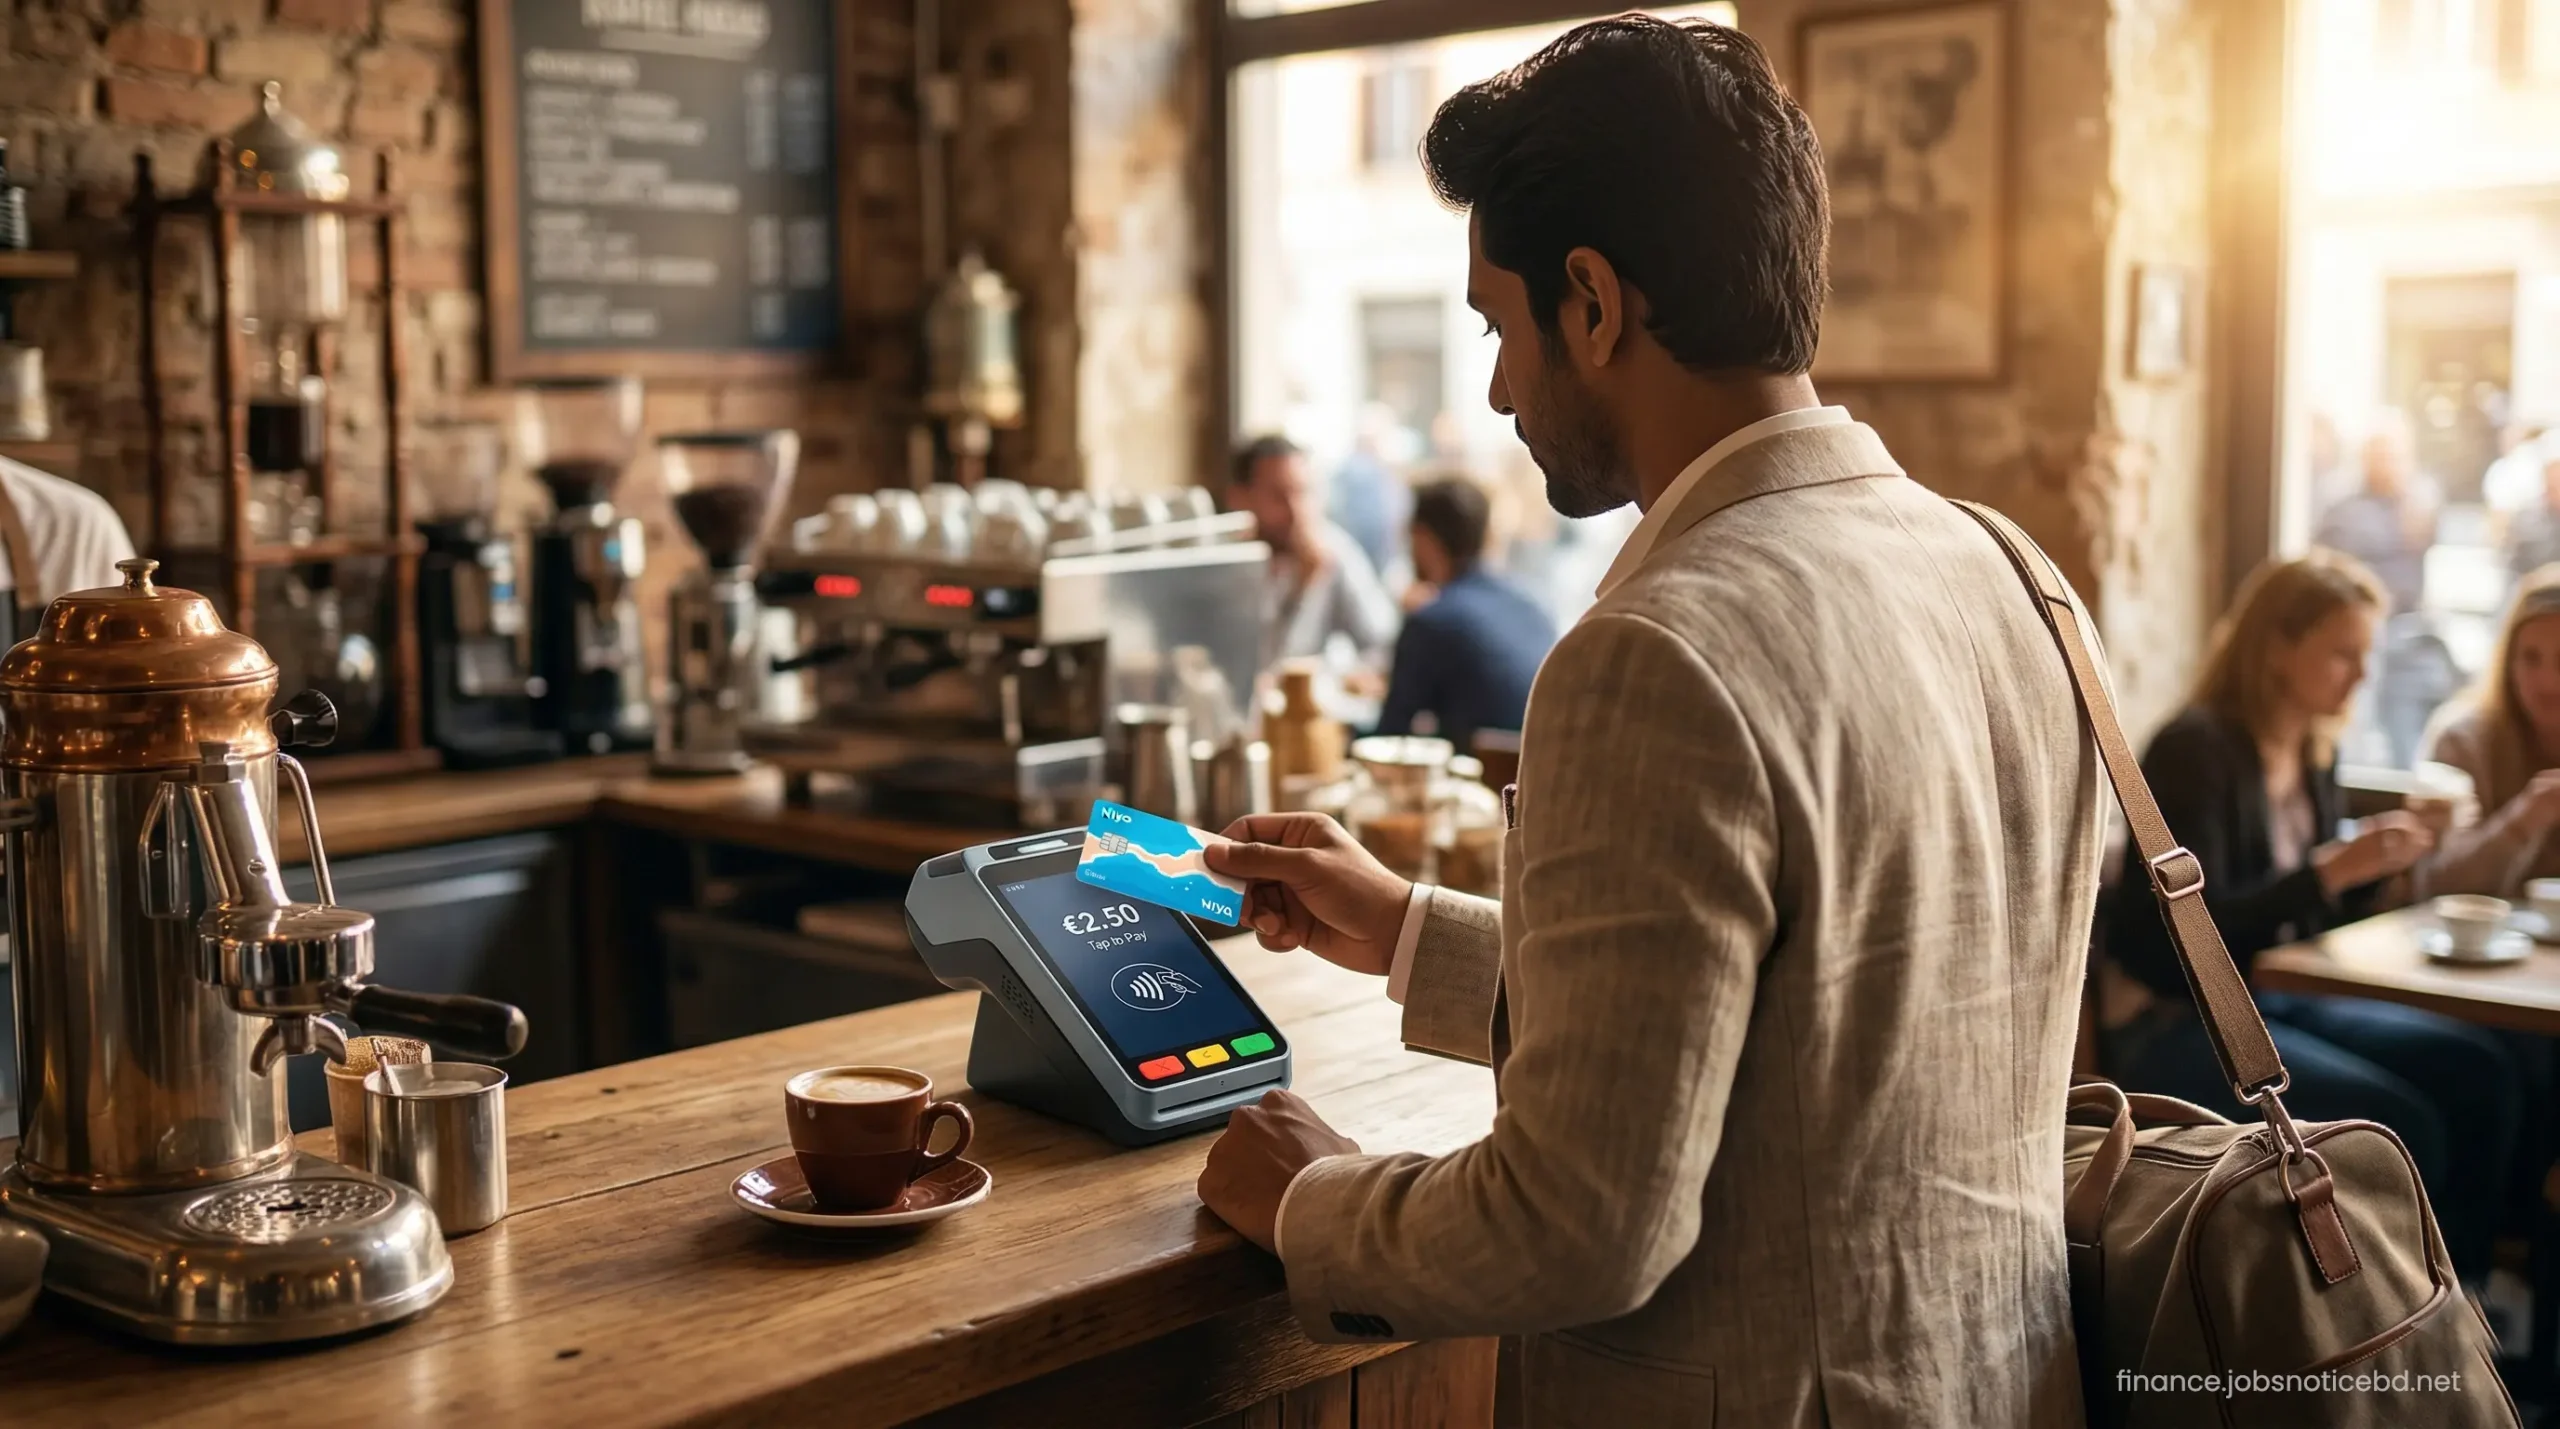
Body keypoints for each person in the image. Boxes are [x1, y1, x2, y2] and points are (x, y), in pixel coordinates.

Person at [1193, 19, 2104, 1426]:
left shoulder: (1654, 652)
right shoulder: (2017, 574)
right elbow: (1831, 1016)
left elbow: (1583, 1224)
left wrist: (1312, 1200)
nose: (1498, 389)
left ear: (1596, 304)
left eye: (1500, 326)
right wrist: (1411, 931)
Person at [2100, 552, 2519, 1282]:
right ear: (2278, 648)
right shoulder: (2196, 749)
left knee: (2480, 1068)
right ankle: (2392, 1321)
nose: (2361, 675)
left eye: (2365, 655)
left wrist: (2378, 864)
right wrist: (2331, 871)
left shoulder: (2312, 747)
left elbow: (2297, 917)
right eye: (2342, 653)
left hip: (2268, 998)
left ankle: (2467, 1307)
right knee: (2397, 1124)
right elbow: (2176, 939)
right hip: (2174, 1018)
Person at [1373, 477, 1553, 749]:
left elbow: (1388, 738)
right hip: (1541, 775)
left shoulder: (1431, 622)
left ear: (1423, 539)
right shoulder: (1534, 606)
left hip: (1483, 783)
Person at [2417, 565, 2560, 894]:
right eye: (2530, 658)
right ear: (2508, 662)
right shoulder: (2464, 743)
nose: (2548, 681)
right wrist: (2524, 820)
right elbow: (2436, 885)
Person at [1226, 435, 1399, 676]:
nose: (1295, 511)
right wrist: (1299, 593)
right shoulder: (1224, 568)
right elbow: (1253, 671)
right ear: (1239, 498)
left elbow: (1382, 641)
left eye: (1302, 493)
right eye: (1278, 496)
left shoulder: (1333, 551)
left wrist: (1347, 674)